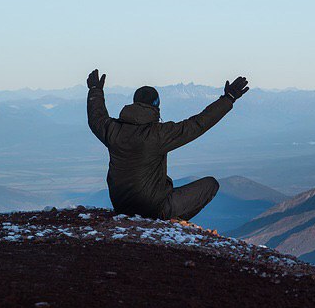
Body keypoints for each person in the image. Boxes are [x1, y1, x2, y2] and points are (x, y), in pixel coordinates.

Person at [85, 69, 249, 221]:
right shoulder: (158, 135)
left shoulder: (113, 130)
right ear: (156, 105)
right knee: (210, 185)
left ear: (134, 103)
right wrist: (229, 98)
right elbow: (198, 124)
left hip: (121, 206)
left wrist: (95, 91)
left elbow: (96, 118)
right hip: (152, 208)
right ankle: (171, 222)